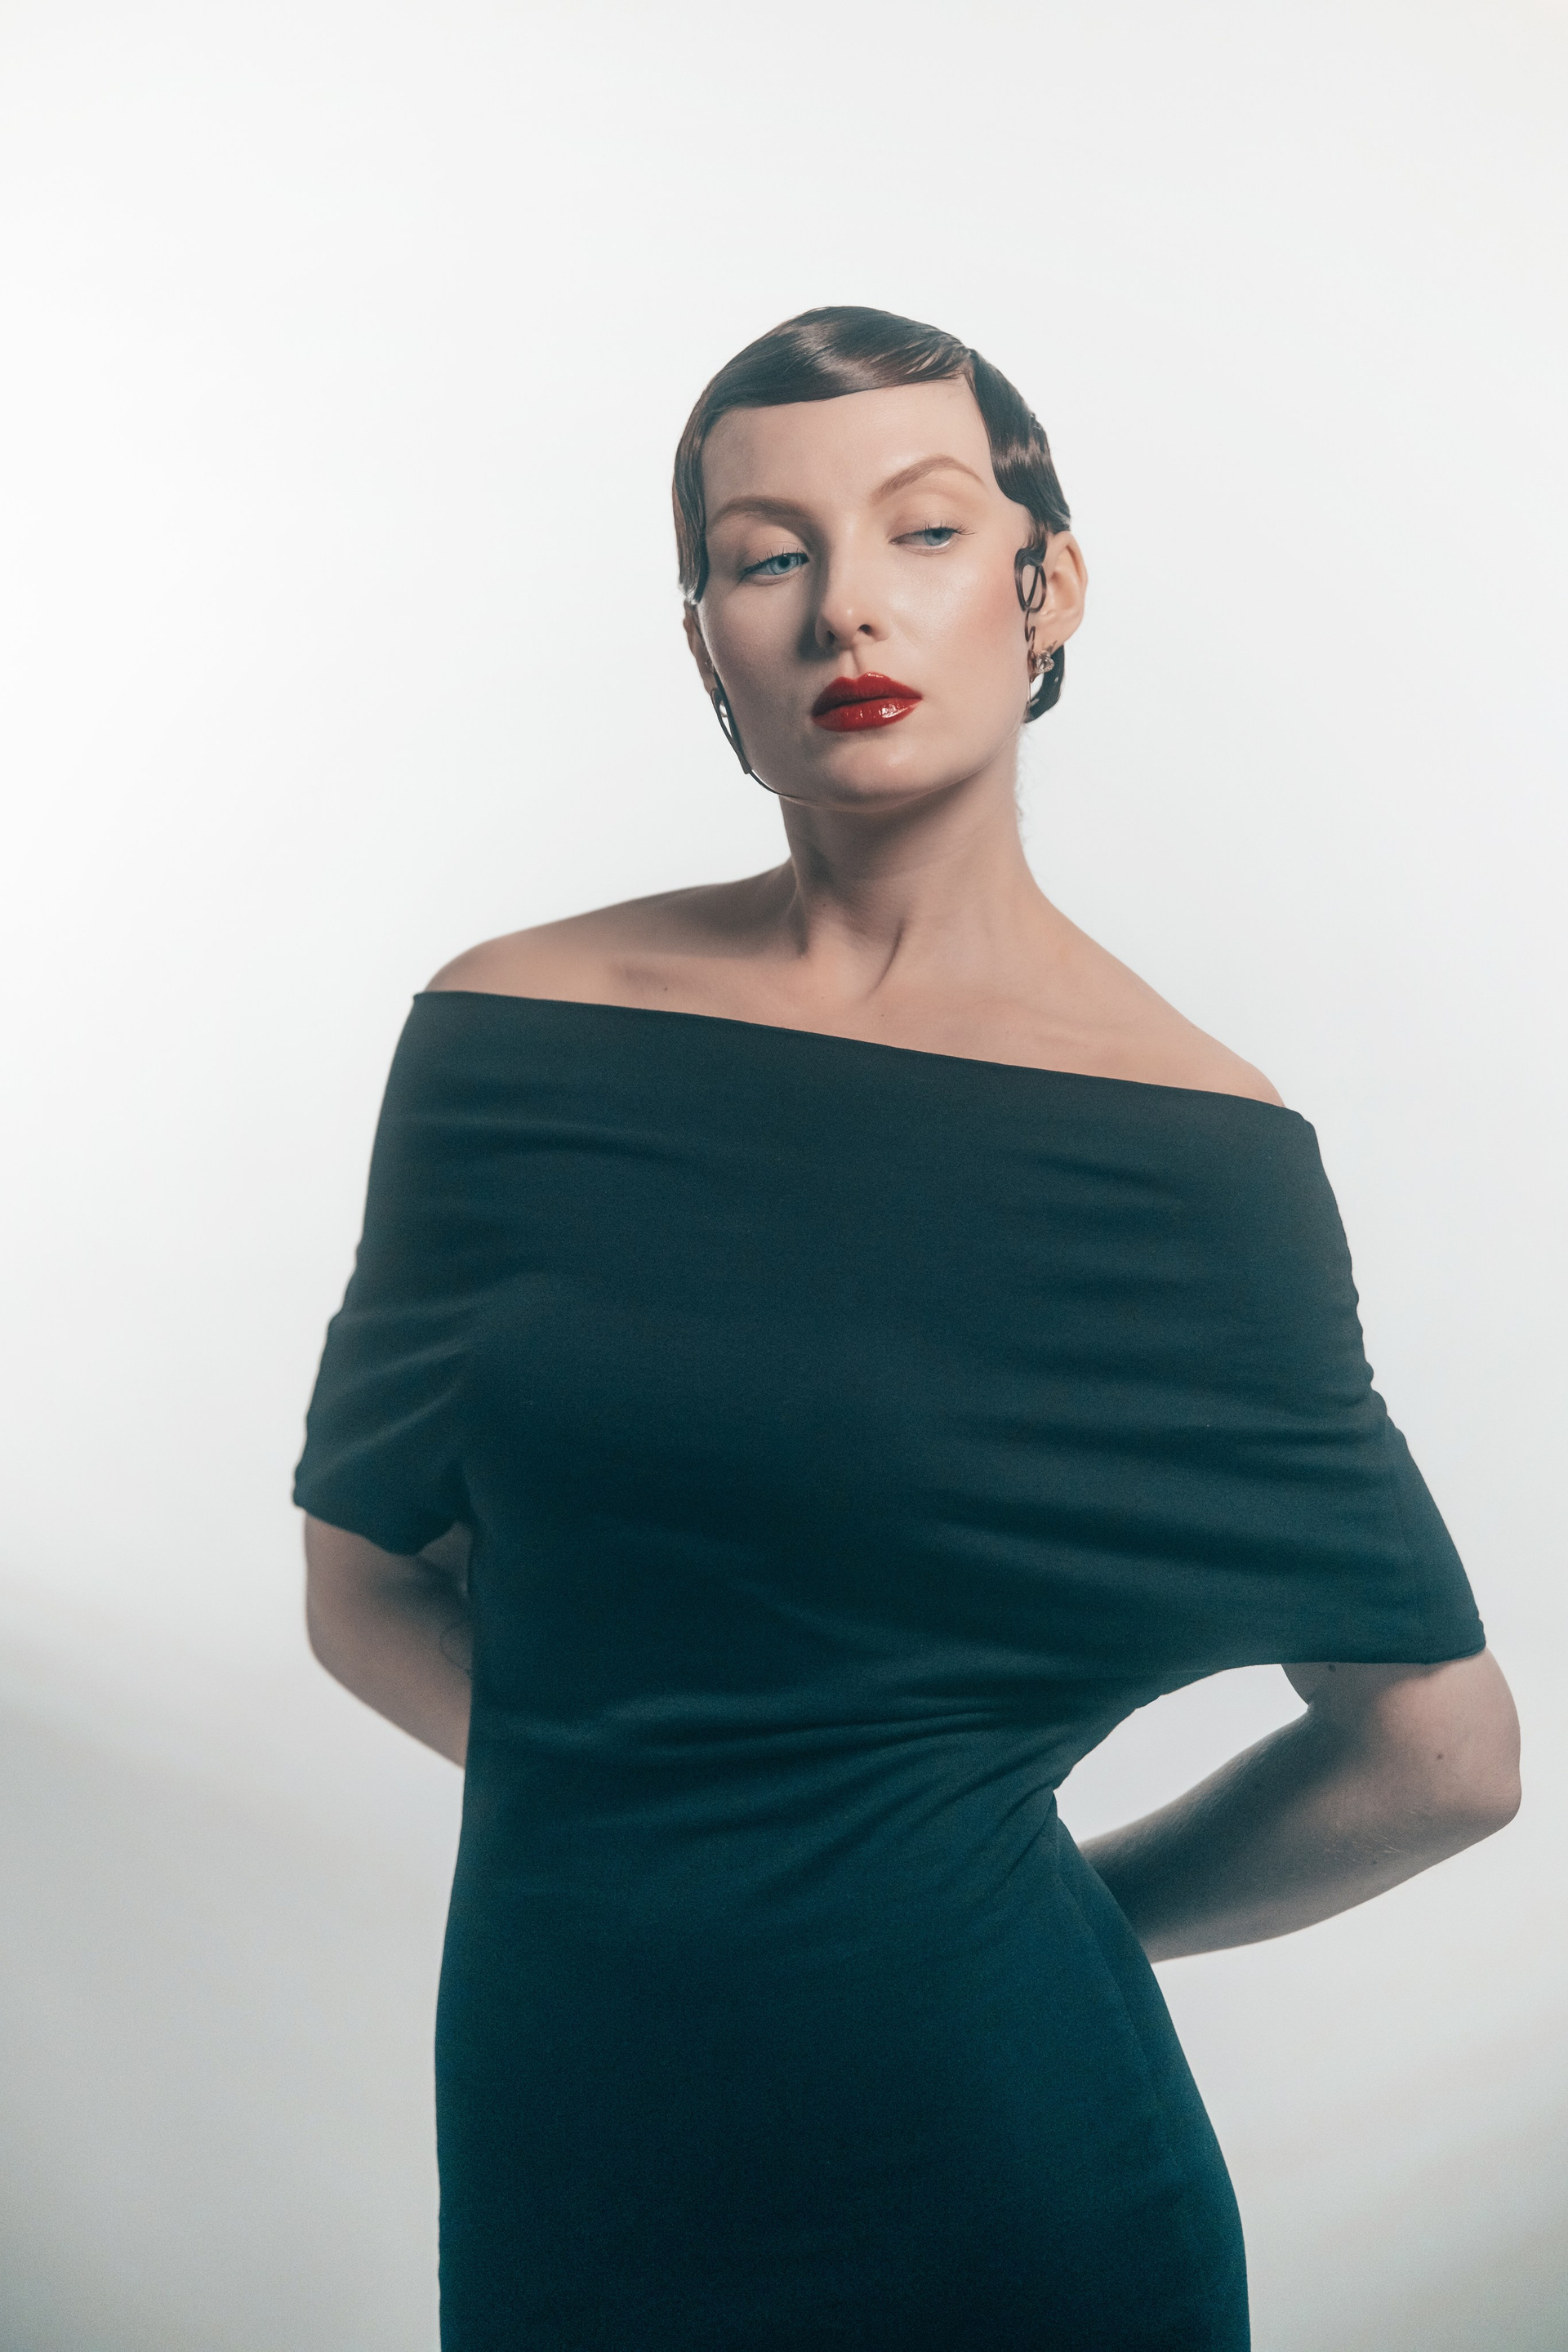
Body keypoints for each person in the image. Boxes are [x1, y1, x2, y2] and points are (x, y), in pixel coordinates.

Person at [295, 306, 1520, 2351]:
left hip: (1004, 2170)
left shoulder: (1195, 1161)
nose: (845, 605)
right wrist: (661, 1827)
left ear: (1048, 587)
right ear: (707, 642)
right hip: (565, 2141)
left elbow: (1442, 1755)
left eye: (926, 530)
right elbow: (362, 1591)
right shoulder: (505, 1038)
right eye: (766, 554)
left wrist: (1028, 1925)